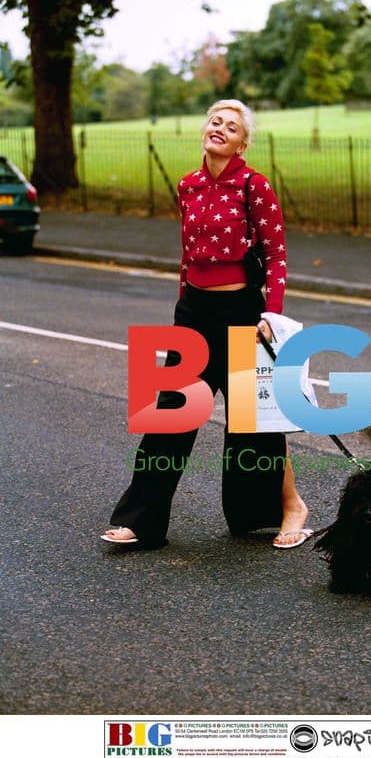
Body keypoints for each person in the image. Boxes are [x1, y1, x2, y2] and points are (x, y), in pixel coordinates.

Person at [102, 99, 311, 550]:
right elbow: (186, 256)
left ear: (242, 143)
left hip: (241, 315)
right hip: (194, 314)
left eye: (231, 126)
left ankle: (287, 508)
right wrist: (183, 310)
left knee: (253, 422)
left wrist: (271, 315)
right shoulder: (189, 185)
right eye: (215, 121)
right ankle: (141, 521)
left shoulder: (254, 186)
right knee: (170, 418)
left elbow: (275, 256)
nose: (220, 128)